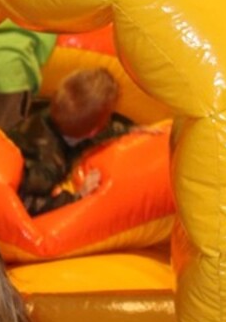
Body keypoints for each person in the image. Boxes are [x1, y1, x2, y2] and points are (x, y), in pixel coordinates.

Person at [9, 66, 134, 216]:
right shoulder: (49, 164)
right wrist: (78, 197)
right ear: (93, 131)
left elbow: (96, 133)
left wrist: (129, 130)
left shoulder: (52, 113)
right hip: (15, 188)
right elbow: (25, 203)